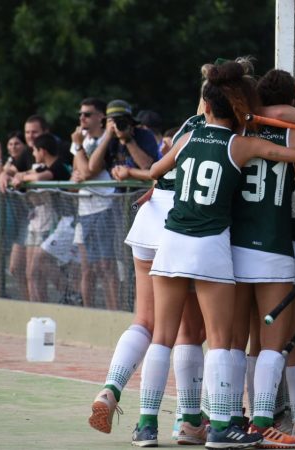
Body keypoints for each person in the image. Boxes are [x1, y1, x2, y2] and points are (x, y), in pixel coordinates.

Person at [135, 61, 295, 449]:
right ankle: (263, 423)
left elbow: (155, 171)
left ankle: (166, 421)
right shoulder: (273, 138)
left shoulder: (216, 132)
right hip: (268, 249)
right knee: (268, 345)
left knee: (199, 339)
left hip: (209, 245)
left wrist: (155, 186)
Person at [89, 112, 207, 446]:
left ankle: (111, 388)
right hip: (183, 221)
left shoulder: (188, 125)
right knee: (188, 332)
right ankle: (187, 419)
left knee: (144, 320)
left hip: (151, 214)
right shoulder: (234, 132)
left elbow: (162, 169)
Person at [6, 133, 71, 302]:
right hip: (54, 224)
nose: (33, 154)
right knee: (32, 271)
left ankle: (71, 295)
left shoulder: (57, 166)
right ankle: (40, 310)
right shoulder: (44, 166)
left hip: (64, 223)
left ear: (42, 151)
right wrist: (20, 176)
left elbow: (41, 177)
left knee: (38, 267)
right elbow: (32, 173)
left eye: (35, 151)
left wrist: (23, 178)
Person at [69, 97, 120, 310]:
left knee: (106, 266)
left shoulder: (107, 140)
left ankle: (114, 312)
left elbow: (89, 171)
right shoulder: (81, 143)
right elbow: (76, 177)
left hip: (104, 208)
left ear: (101, 117)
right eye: (80, 114)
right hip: (84, 210)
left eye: (87, 114)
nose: (82, 118)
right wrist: (75, 176)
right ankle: (88, 312)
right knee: (88, 267)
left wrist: (78, 146)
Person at [0, 131, 34, 300]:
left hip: (33, 219)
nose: (13, 147)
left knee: (33, 270)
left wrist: (22, 176)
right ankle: (29, 304)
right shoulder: (12, 164)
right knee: (16, 268)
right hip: (19, 224)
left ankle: (68, 297)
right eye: (10, 144)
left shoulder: (31, 160)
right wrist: (4, 172)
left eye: (17, 144)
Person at [88, 99, 160, 180]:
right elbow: (93, 167)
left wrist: (128, 140)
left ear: (130, 122)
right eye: (112, 120)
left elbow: (147, 166)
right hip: (118, 191)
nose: (117, 124)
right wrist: (107, 136)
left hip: (143, 189)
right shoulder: (108, 140)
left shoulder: (144, 135)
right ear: (106, 123)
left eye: (121, 120)